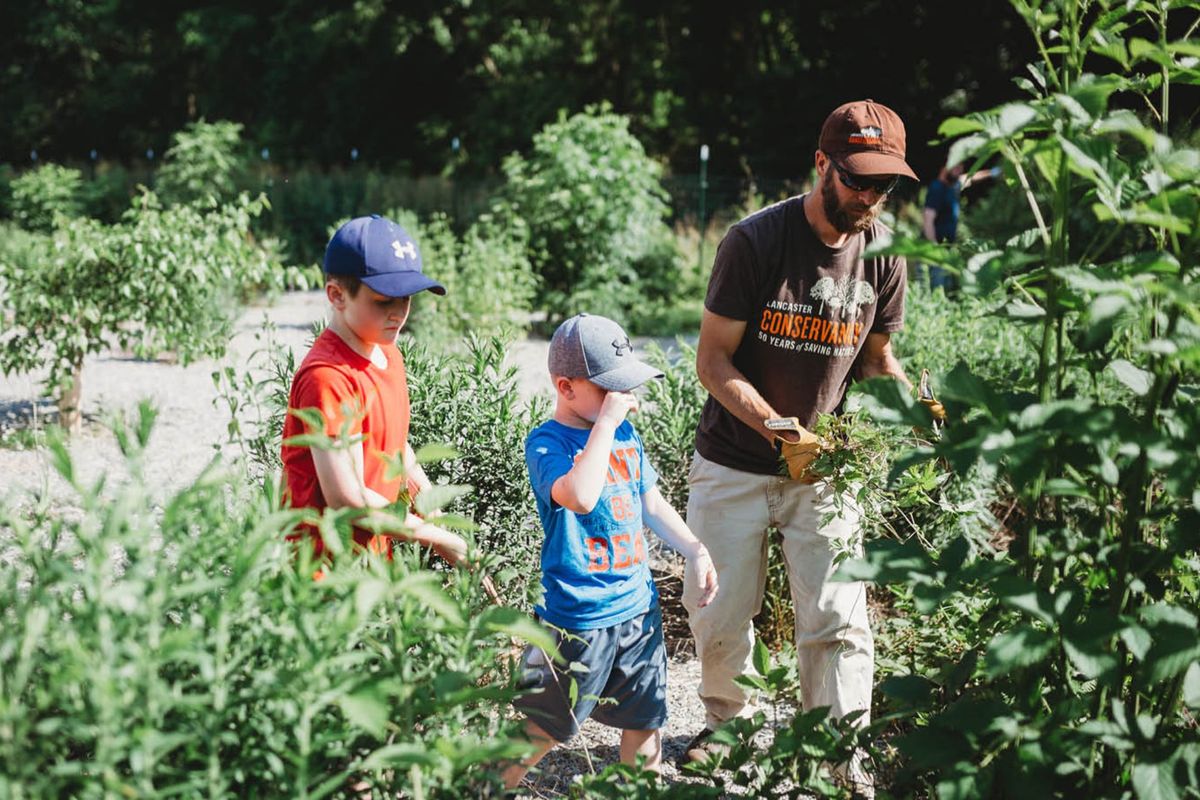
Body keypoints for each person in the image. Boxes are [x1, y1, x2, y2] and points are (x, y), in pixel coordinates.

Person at [680, 99, 923, 791]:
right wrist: (783, 432)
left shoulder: (886, 257)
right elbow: (713, 362)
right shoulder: (754, 243)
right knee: (723, 609)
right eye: (857, 181)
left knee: (839, 619)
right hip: (735, 459)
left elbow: (876, 359)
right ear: (822, 165)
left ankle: (841, 759)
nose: (870, 198)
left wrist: (923, 412)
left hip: (825, 469)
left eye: (885, 186)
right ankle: (727, 729)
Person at [503, 313, 720, 789]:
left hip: (636, 609)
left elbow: (650, 501)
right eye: (609, 390)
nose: (623, 400)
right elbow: (578, 496)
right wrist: (605, 424)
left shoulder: (622, 433)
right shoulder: (547, 442)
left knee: (645, 723)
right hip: (576, 620)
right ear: (565, 386)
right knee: (542, 729)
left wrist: (694, 548)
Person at [280, 214, 468, 572]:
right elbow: (346, 499)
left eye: (407, 299)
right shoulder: (328, 377)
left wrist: (436, 515)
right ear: (337, 295)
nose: (399, 313)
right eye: (384, 301)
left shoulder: (386, 352)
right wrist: (437, 537)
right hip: (322, 571)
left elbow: (395, 447)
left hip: (371, 563)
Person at [922, 160, 1002, 290]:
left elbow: (971, 177)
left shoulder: (953, 186)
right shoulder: (937, 188)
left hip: (946, 249)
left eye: (960, 168)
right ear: (945, 168)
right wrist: (934, 247)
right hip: (933, 251)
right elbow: (928, 219)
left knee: (946, 289)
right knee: (936, 290)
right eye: (955, 168)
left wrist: (992, 172)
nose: (959, 171)